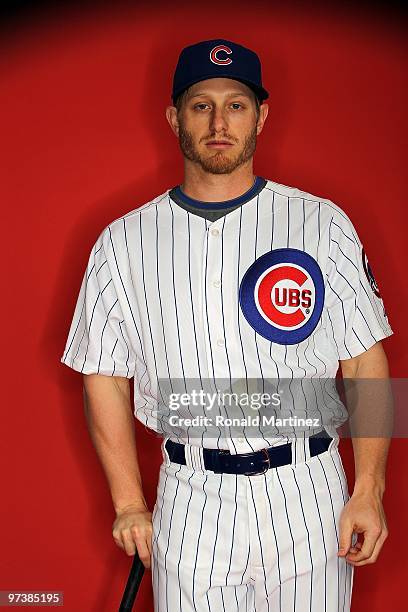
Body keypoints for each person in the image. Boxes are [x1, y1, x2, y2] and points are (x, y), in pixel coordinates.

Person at [60, 39, 393, 611]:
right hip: (191, 493)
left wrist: (369, 489)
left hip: (307, 488)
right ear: (173, 118)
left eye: (236, 104)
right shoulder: (121, 243)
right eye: (200, 104)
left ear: (261, 115)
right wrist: (127, 501)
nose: (219, 122)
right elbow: (103, 377)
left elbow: (365, 361)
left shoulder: (322, 222)